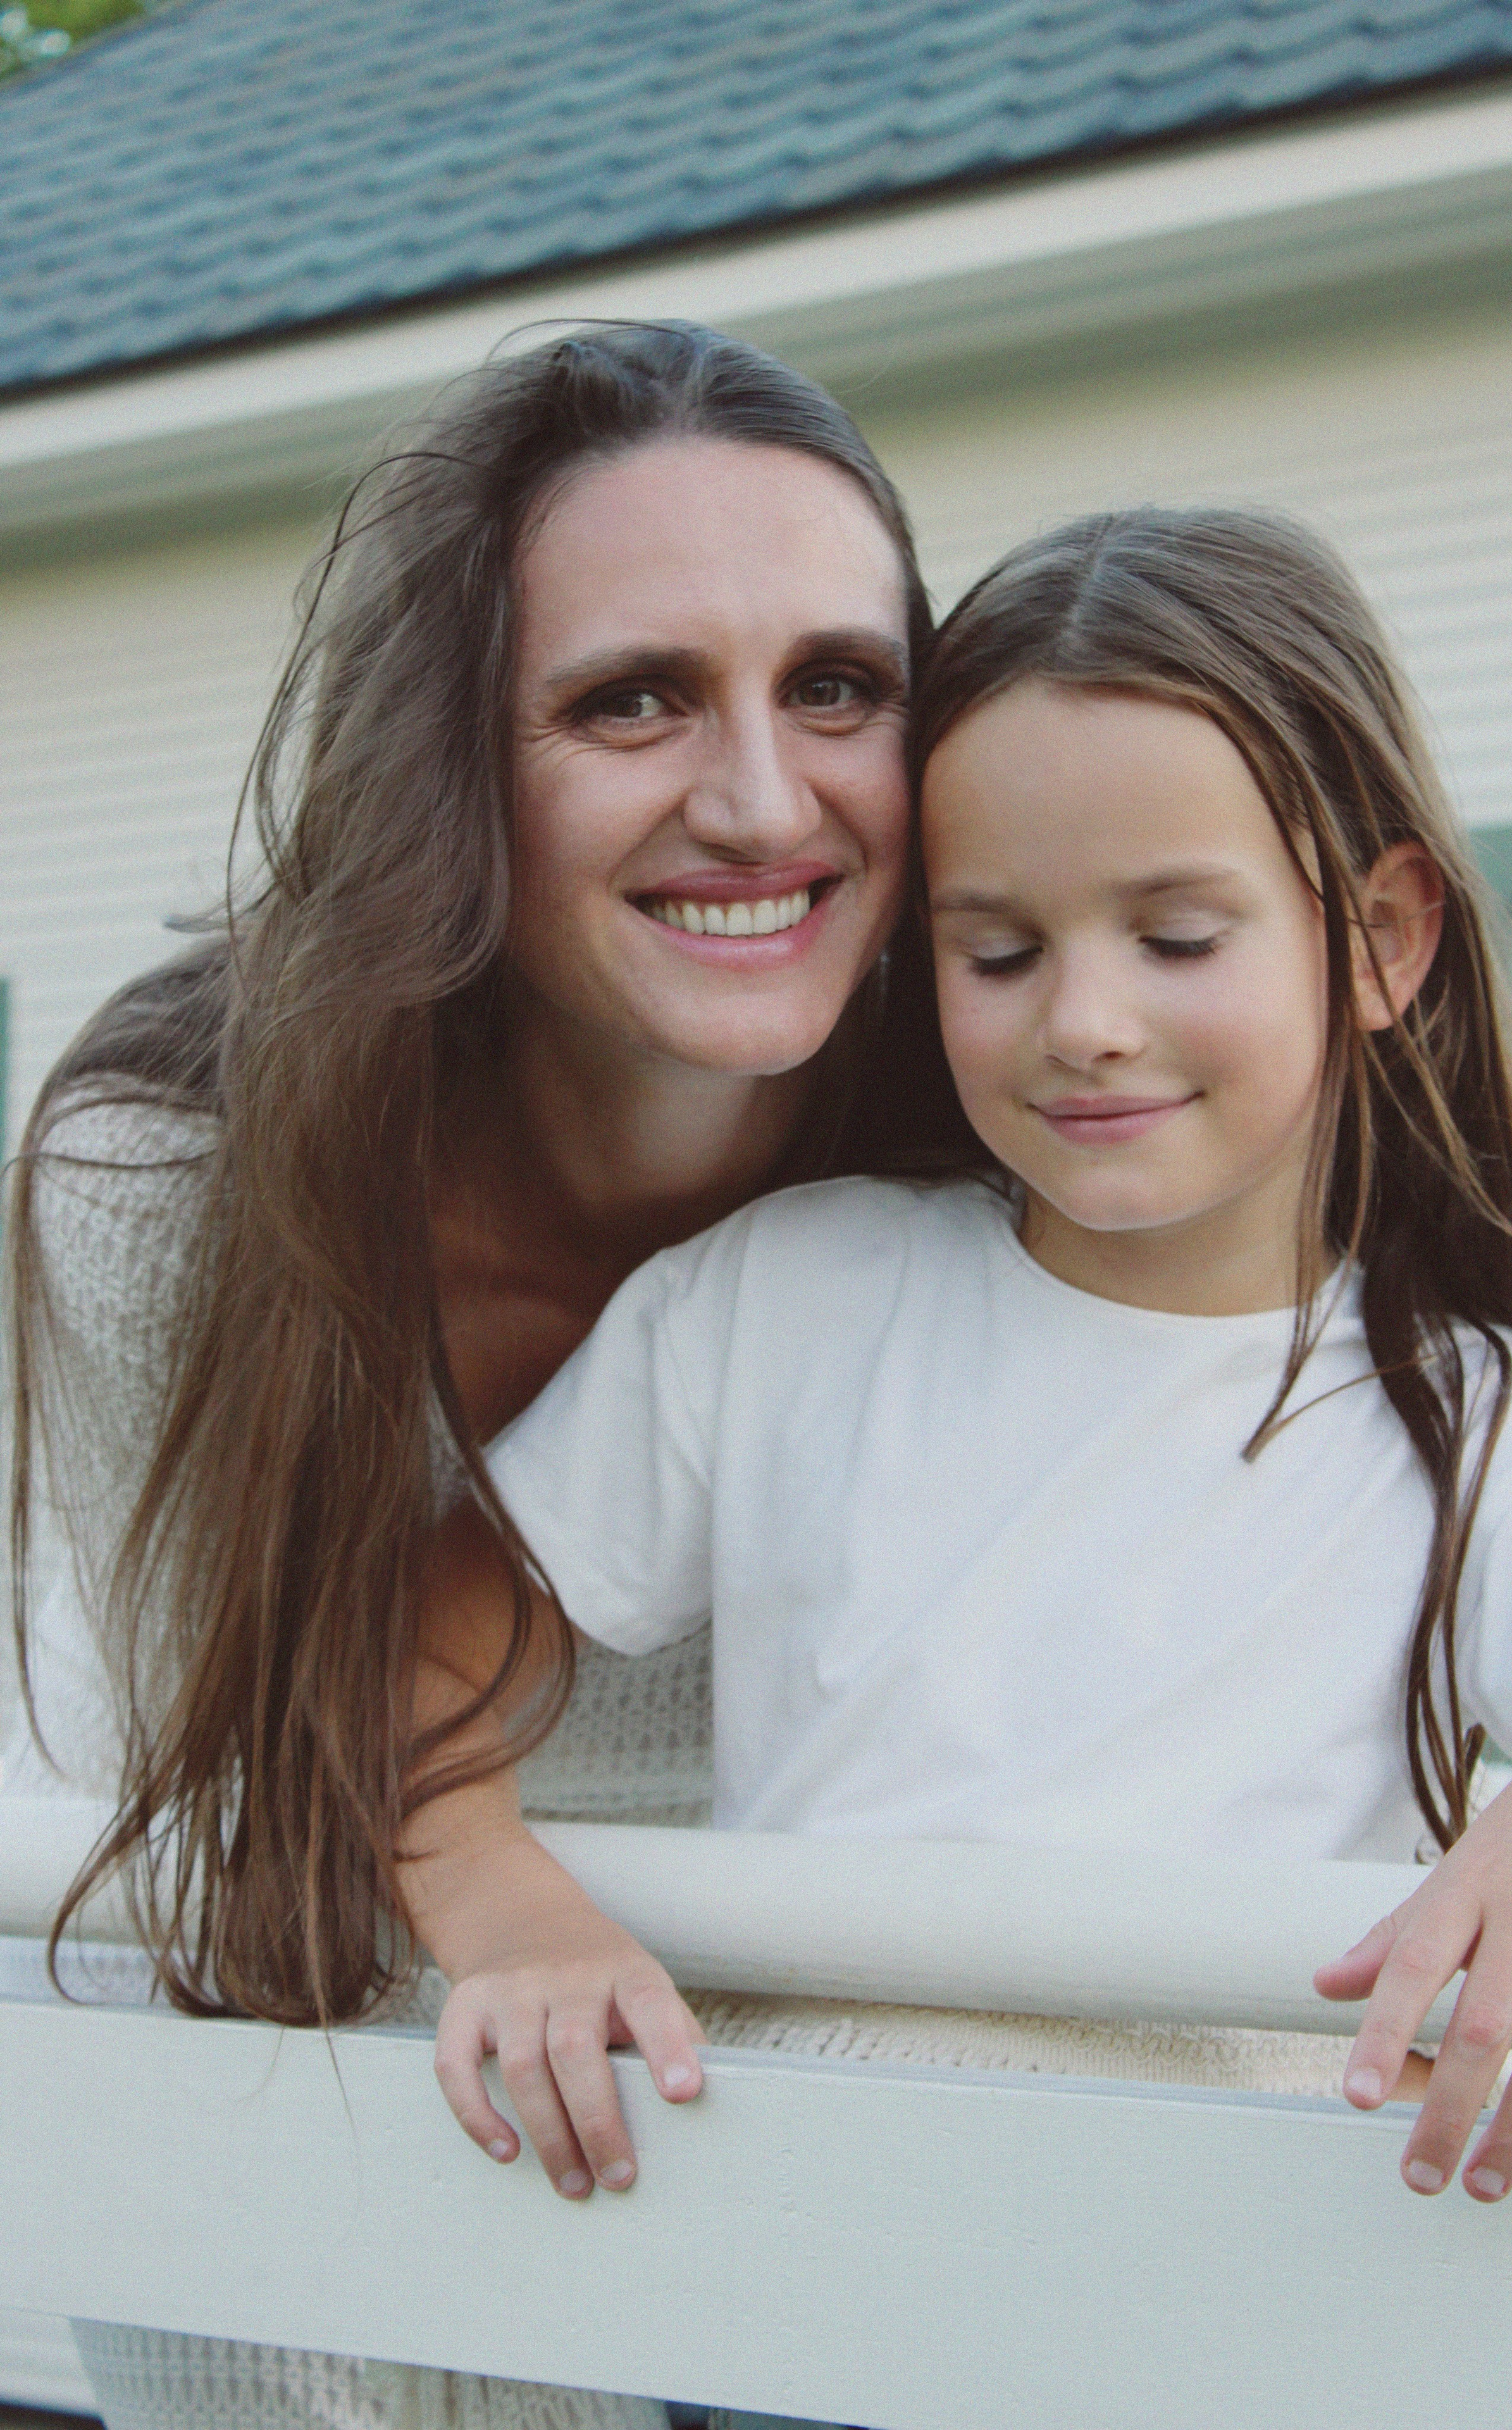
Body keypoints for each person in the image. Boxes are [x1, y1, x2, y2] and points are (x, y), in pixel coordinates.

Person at [411, 506, 1512, 2250]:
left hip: (1246, 2290)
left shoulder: (1497, 1428)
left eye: (1179, 937)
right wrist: (508, 1914)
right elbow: (414, 1661)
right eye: (1001, 951)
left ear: (1383, 937)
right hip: (792, 2263)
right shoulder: (785, 1305)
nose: (1086, 1022)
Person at [5, 321, 972, 2430]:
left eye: (839, 687)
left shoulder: (1004, 1147)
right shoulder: (179, 1177)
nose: (758, 798)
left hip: (802, 2199)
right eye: (630, 698)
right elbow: (266, 1902)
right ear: (451, 761)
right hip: (268, 2113)